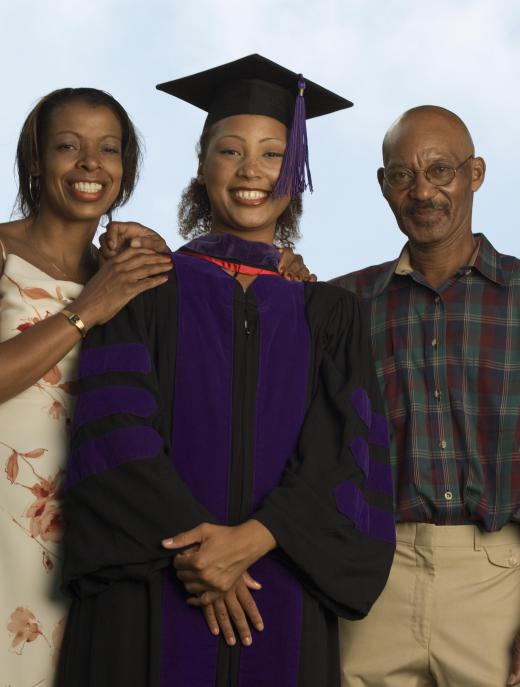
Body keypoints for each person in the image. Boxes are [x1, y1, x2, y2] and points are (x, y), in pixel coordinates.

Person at [56, 55, 395, 687]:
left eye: (273, 154)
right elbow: (114, 432)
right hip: (150, 590)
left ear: (294, 174)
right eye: (230, 150)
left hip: (281, 586)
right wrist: (200, 557)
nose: (251, 172)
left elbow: (344, 454)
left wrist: (259, 538)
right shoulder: (145, 285)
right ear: (202, 162)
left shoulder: (329, 314)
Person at [330, 105, 520, 687]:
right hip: (372, 581)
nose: (422, 191)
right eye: (402, 175)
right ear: (383, 186)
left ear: (476, 174)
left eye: (440, 170)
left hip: (498, 577)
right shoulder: (343, 306)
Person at [0, 86, 174, 687]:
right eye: (67, 146)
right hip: (6, 524)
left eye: (108, 149)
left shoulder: (131, 275)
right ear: (34, 160)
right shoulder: (2, 249)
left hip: (95, 532)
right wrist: (84, 312)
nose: (89, 164)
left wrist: (288, 265)